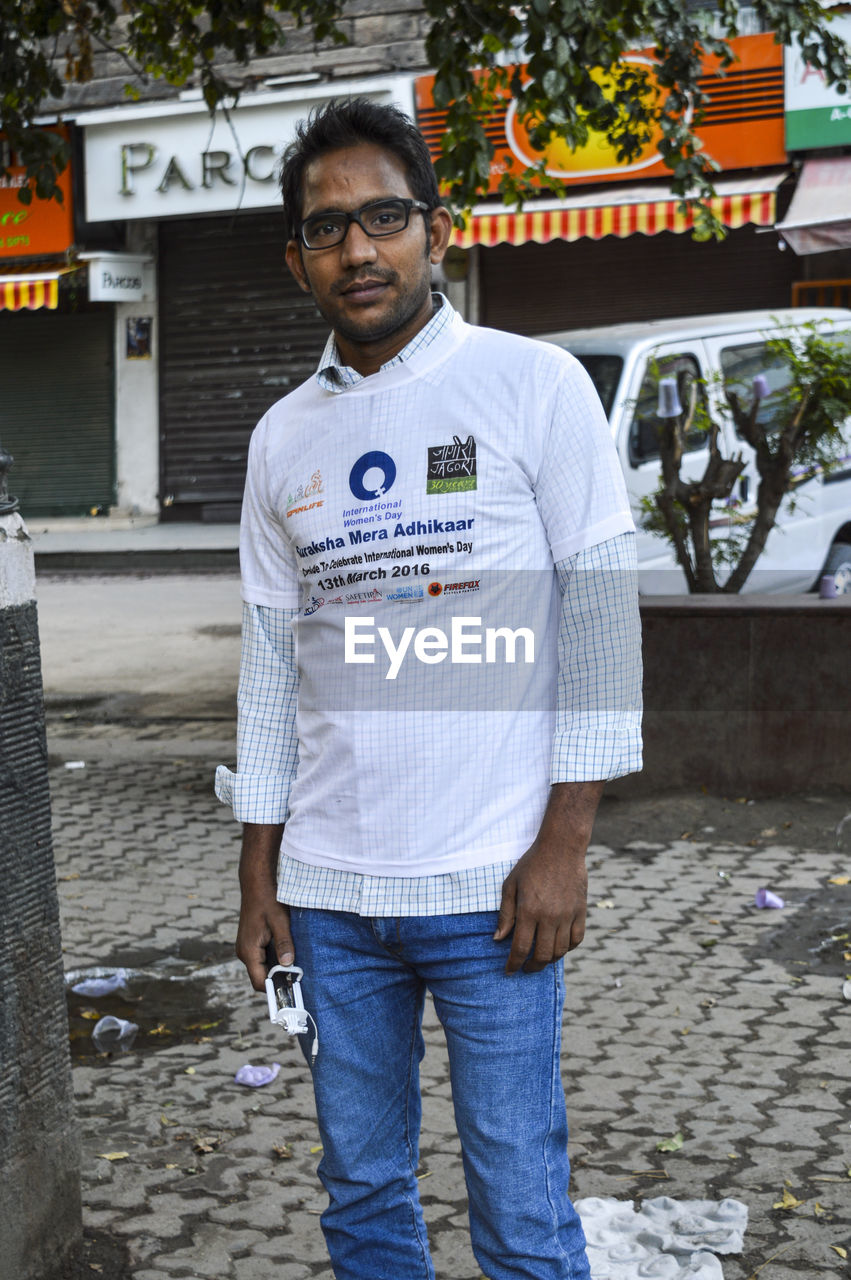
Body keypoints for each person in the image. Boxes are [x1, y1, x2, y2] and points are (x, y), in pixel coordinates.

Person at [216, 96, 642, 1280]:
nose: (358, 249)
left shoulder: (533, 385)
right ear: (296, 257)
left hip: (493, 887)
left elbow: (601, 620)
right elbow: (268, 661)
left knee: (518, 1202)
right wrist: (260, 871)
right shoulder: (277, 440)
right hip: (331, 899)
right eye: (327, 227)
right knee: (361, 1195)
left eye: (383, 217)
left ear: (436, 230)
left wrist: (565, 841)